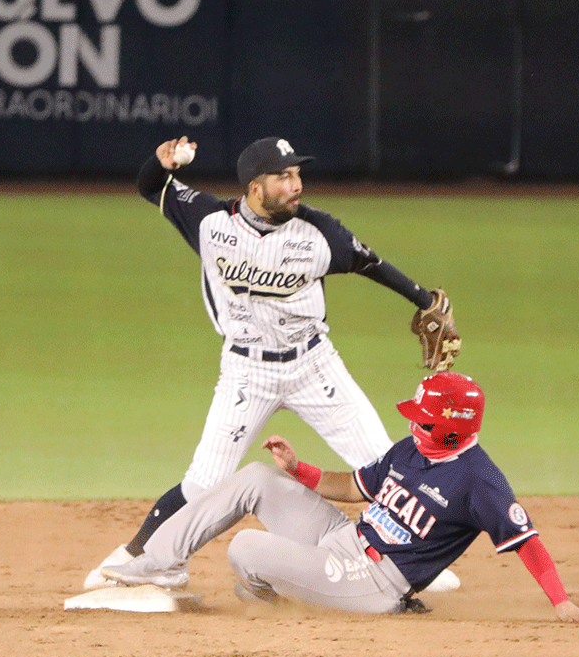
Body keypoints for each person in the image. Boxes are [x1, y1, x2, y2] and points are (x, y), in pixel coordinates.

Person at [83, 135, 459, 592]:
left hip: (313, 367)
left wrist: (424, 300)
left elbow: (371, 264)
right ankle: (142, 557)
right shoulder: (208, 221)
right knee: (203, 484)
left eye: (298, 174)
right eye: (284, 177)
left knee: (385, 467)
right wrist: (160, 164)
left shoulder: (321, 234)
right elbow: (151, 186)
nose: (297, 184)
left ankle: (411, 563)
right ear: (255, 187)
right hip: (246, 372)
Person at [102, 372, 579, 622]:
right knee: (255, 476)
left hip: (375, 581)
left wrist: (562, 603)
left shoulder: (480, 482)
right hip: (345, 538)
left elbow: (525, 540)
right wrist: (298, 470)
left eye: (423, 420)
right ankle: (157, 566)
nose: (411, 424)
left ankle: (270, 603)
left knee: (244, 549)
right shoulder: (409, 448)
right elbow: (354, 488)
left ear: (452, 429)